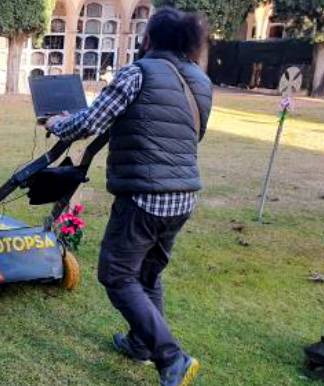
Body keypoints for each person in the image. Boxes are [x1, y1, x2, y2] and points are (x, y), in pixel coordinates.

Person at [46, 8, 212, 386]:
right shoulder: (200, 82)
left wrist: (57, 122)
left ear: (148, 39)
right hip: (183, 196)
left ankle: (172, 358)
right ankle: (142, 343)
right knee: (148, 273)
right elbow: (190, 136)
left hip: (143, 197)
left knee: (117, 274)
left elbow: (89, 123)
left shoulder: (136, 74)